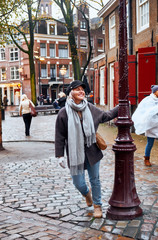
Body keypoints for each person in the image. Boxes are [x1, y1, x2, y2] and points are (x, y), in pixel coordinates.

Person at [55, 80, 118, 218]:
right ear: (70, 93)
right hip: (74, 152)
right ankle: (86, 193)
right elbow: (59, 136)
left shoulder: (90, 108)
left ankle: (97, 205)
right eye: (77, 89)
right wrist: (60, 156)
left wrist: (121, 107)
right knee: (78, 182)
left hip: (92, 150)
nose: (81, 91)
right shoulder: (63, 113)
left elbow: (106, 116)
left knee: (95, 179)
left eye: (82, 89)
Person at [132, 85, 158, 167]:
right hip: (151, 126)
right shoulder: (148, 100)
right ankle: (146, 159)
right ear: (154, 92)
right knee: (150, 143)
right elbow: (145, 112)